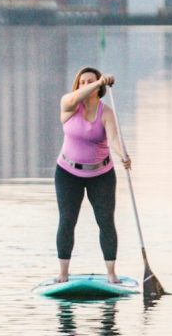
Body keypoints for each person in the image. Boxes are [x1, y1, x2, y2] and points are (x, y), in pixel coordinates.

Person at [54, 67, 131, 284]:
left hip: (101, 174)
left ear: (100, 88)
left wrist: (123, 154)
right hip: (68, 173)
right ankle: (63, 273)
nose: (86, 85)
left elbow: (114, 139)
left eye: (91, 81)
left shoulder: (106, 112)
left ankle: (111, 273)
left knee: (106, 221)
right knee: (67, 221)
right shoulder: (68, 105)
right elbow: (73, 98)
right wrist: (97, 83)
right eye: (82, 82)